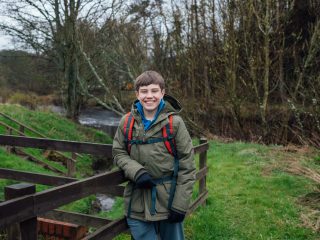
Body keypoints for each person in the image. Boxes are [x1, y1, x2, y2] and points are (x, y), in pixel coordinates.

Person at [112, 70, 196, 240]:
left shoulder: (175, 124)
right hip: (137, 203)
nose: (149, 96)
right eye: (144, 91)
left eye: (154, 91)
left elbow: (187, 166)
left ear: (163, 93)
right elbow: (118, 152)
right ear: (137, 94)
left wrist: (180, 205)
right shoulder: (126, 122)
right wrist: (136, 171)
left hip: (169, 201)